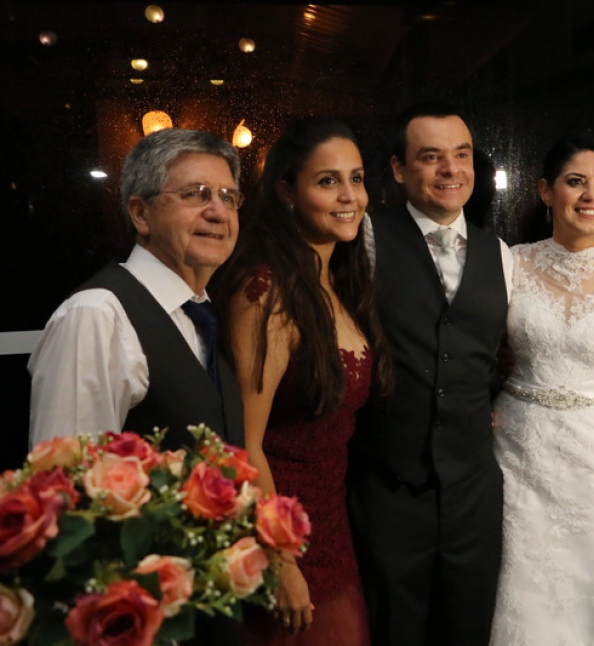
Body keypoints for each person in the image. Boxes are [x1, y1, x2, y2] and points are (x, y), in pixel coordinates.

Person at [216, 117, 391, 646]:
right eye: (328, 181)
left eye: (356, 179)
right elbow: (243, 445)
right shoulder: (265, 289)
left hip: (334, 534)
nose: (349, 196)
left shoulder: (338, 280)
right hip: (282, 540)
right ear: (287, 192)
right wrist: (281, 559)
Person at [347, 102, 513, 646]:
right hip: (389, 489)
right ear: (398, 169)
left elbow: (501, 353)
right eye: (431, 156)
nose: (450, 169)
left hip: (473, 496)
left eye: (461, 155)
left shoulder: (500, 254)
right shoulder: (365, 239)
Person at [490, 133, 594, 645]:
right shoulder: (509, 263)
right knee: (521, 588)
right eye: (576, 182)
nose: (591, 196)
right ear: (546, 191)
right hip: (518, 452)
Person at [28, 128, 244, 450]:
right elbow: (64, 473)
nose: (219, 213)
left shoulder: (204, 314)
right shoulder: (96, 316)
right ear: (141, 214)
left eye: (228, 197)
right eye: (194, 194)